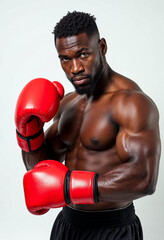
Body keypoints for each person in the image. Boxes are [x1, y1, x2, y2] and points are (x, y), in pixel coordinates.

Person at [15, 11, 161, 240]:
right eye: (65, 58)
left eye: (83, 54)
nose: (75, 68)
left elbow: (144, 178)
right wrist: (29, 134)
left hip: (112, 228)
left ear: (101, 47)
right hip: (68, 223)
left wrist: (68, 188)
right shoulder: (68, 104)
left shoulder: (131, 102)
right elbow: (40, 170)